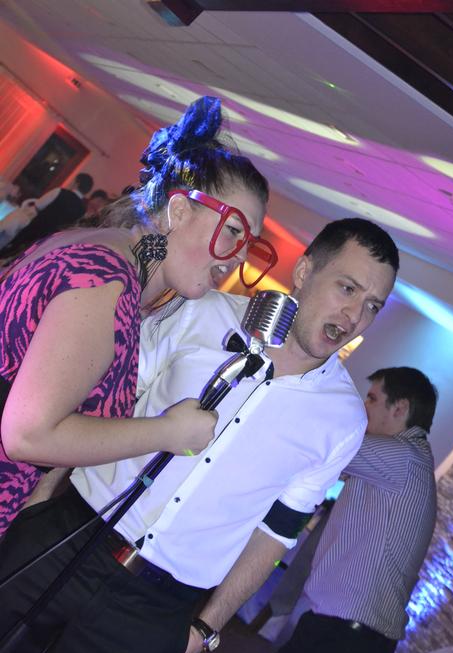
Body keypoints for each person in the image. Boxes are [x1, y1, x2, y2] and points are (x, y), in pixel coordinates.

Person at [0, 218, 399, 653]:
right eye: (347, 288)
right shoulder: (205, 312)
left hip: (153, 607)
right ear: (304, 272)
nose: (354, 314)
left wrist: (208, 627)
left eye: (372, 305)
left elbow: (277, 530)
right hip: (68, 531)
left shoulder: (344, 419)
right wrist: (39, 502)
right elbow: (104, 399)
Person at [0, 95, 273, 535]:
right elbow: (28, 435)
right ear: (178, 211)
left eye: (249, 244)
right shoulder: (105, 279)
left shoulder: (104, 254)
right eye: (234, 231)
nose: (238, 256)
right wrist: (167, 432)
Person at [211, 367, 438, 653]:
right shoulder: (405, 459)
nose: (363, 407)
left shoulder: (404, 458)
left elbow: (324, 442)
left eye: (372, 398)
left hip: (348, 634)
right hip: (348, 633)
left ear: (400, 408)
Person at [0, 172, 94, 259]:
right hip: (49, 240)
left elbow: (39, 205)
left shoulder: (60, 192)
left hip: (36, 228)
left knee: (13, 247)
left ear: (77, 183)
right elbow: (70, 226)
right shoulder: (82, 210)